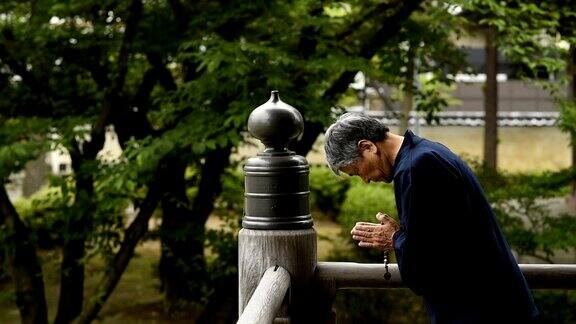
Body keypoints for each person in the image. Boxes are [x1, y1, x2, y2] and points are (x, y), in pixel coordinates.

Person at [324, 112, 538, 323]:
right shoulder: (426, 153)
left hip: (481, 309)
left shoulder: (417, 167)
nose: (365, 180)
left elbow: (424, 265)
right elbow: (441, 239)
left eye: (357, 171)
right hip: (492, 303)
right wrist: (400, 237)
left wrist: (394, 238)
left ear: (367, 147)